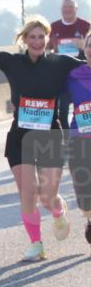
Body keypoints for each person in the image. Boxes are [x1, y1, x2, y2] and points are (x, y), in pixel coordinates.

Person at [0, 0, 83, 261]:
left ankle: (57, 210)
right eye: (31, 37)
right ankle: (36, 244)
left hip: (49, 136)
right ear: (23, 39)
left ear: (48, 38)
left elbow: (87, 62)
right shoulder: (12, 62)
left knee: (47, 196)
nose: (36, 41)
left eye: (41, 36)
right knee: (27, 191)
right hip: (20, 135)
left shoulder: (61, 62)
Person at [59, 34, 91, 252]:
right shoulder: (73, 74)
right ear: (85, 48)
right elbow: (54, 97)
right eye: (90, 45)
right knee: (83, 192)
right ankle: (89, 217)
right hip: (79, 139)